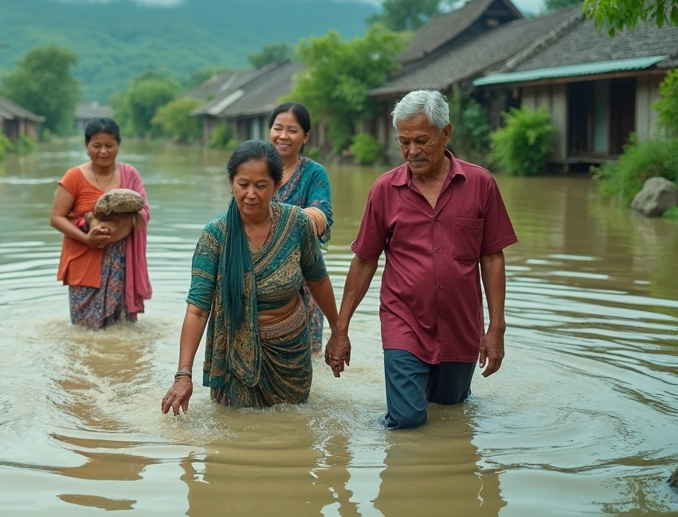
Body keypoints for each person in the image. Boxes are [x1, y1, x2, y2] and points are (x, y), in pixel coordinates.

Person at [325, 89, 517, 429]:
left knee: (450, 408)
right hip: (404, 320)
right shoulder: (384, 190)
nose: (411, 151)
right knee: (408, 419)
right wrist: (341, 329)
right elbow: (365, 260)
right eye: (403, 142)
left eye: (421, 140)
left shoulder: (480, 183)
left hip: (460, 324)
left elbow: (491, 257)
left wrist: (496, 327)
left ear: (446, 133)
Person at [161, 141, 340, 413]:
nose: (251, 194)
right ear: (231, 183)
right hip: (235, 359)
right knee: (235, 431)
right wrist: (183, 375)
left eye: (261, 185)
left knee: (294, 430)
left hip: (291, 352)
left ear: (277, 185)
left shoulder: (297, 224)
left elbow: (318, 280)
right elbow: (198, 309)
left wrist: (339, 332)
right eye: (243, 184)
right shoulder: (215, 236)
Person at [50, 118, 152, 329]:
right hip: (83, 259)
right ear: (86, 146)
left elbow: (144, 213)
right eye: (97, 146)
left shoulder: (129, 174)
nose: (103, 151)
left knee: (120, 330)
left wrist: (117, 223)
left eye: (109, 145)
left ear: (118, 145)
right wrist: (87, 237)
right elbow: (56, 217)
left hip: (121, 263)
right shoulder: (74, 177)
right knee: (83, 331)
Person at [268, 102, 335, 357]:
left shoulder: (314, 173)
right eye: (278, 128)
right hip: (258, 274)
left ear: (306, 136)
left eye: (292, 130)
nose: (283, 136)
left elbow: (322, 213)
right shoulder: (256, 166)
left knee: (305, 357)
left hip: (303, 276)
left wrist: (277, 223)